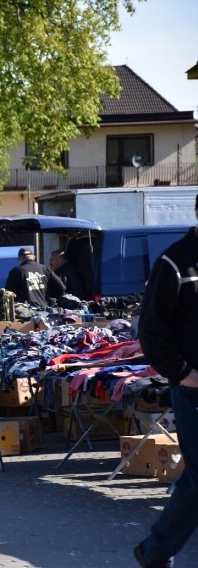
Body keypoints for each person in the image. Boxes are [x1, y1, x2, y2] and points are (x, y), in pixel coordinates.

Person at [134, 200, 198, 568]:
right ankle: (155, 551)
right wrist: (182, 372)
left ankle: (156, 550)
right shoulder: (174, 262)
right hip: (194, 391)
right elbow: (152, 330)